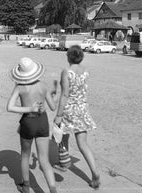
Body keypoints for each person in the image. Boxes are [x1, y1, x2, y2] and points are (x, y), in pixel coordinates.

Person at [7, 57, 59, 193]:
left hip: (28, 122)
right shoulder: (42, 85)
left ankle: (26, 186)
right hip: (42, 121)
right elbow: (53, 107)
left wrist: (29, 109)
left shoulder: (20, 87)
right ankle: (53, 190)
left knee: (25, 154)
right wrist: (54, 95)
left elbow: (10, 107)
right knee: (44, 159)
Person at [53, 45, 101, 189]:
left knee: (63, 136)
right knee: (83, 144)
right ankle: (94, 172)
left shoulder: (66, 72)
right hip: (82, 108)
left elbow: (65, 94)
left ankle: (63, 163)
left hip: (69, 109)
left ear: (68, 56)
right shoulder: (86, 71)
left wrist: (58, 115)